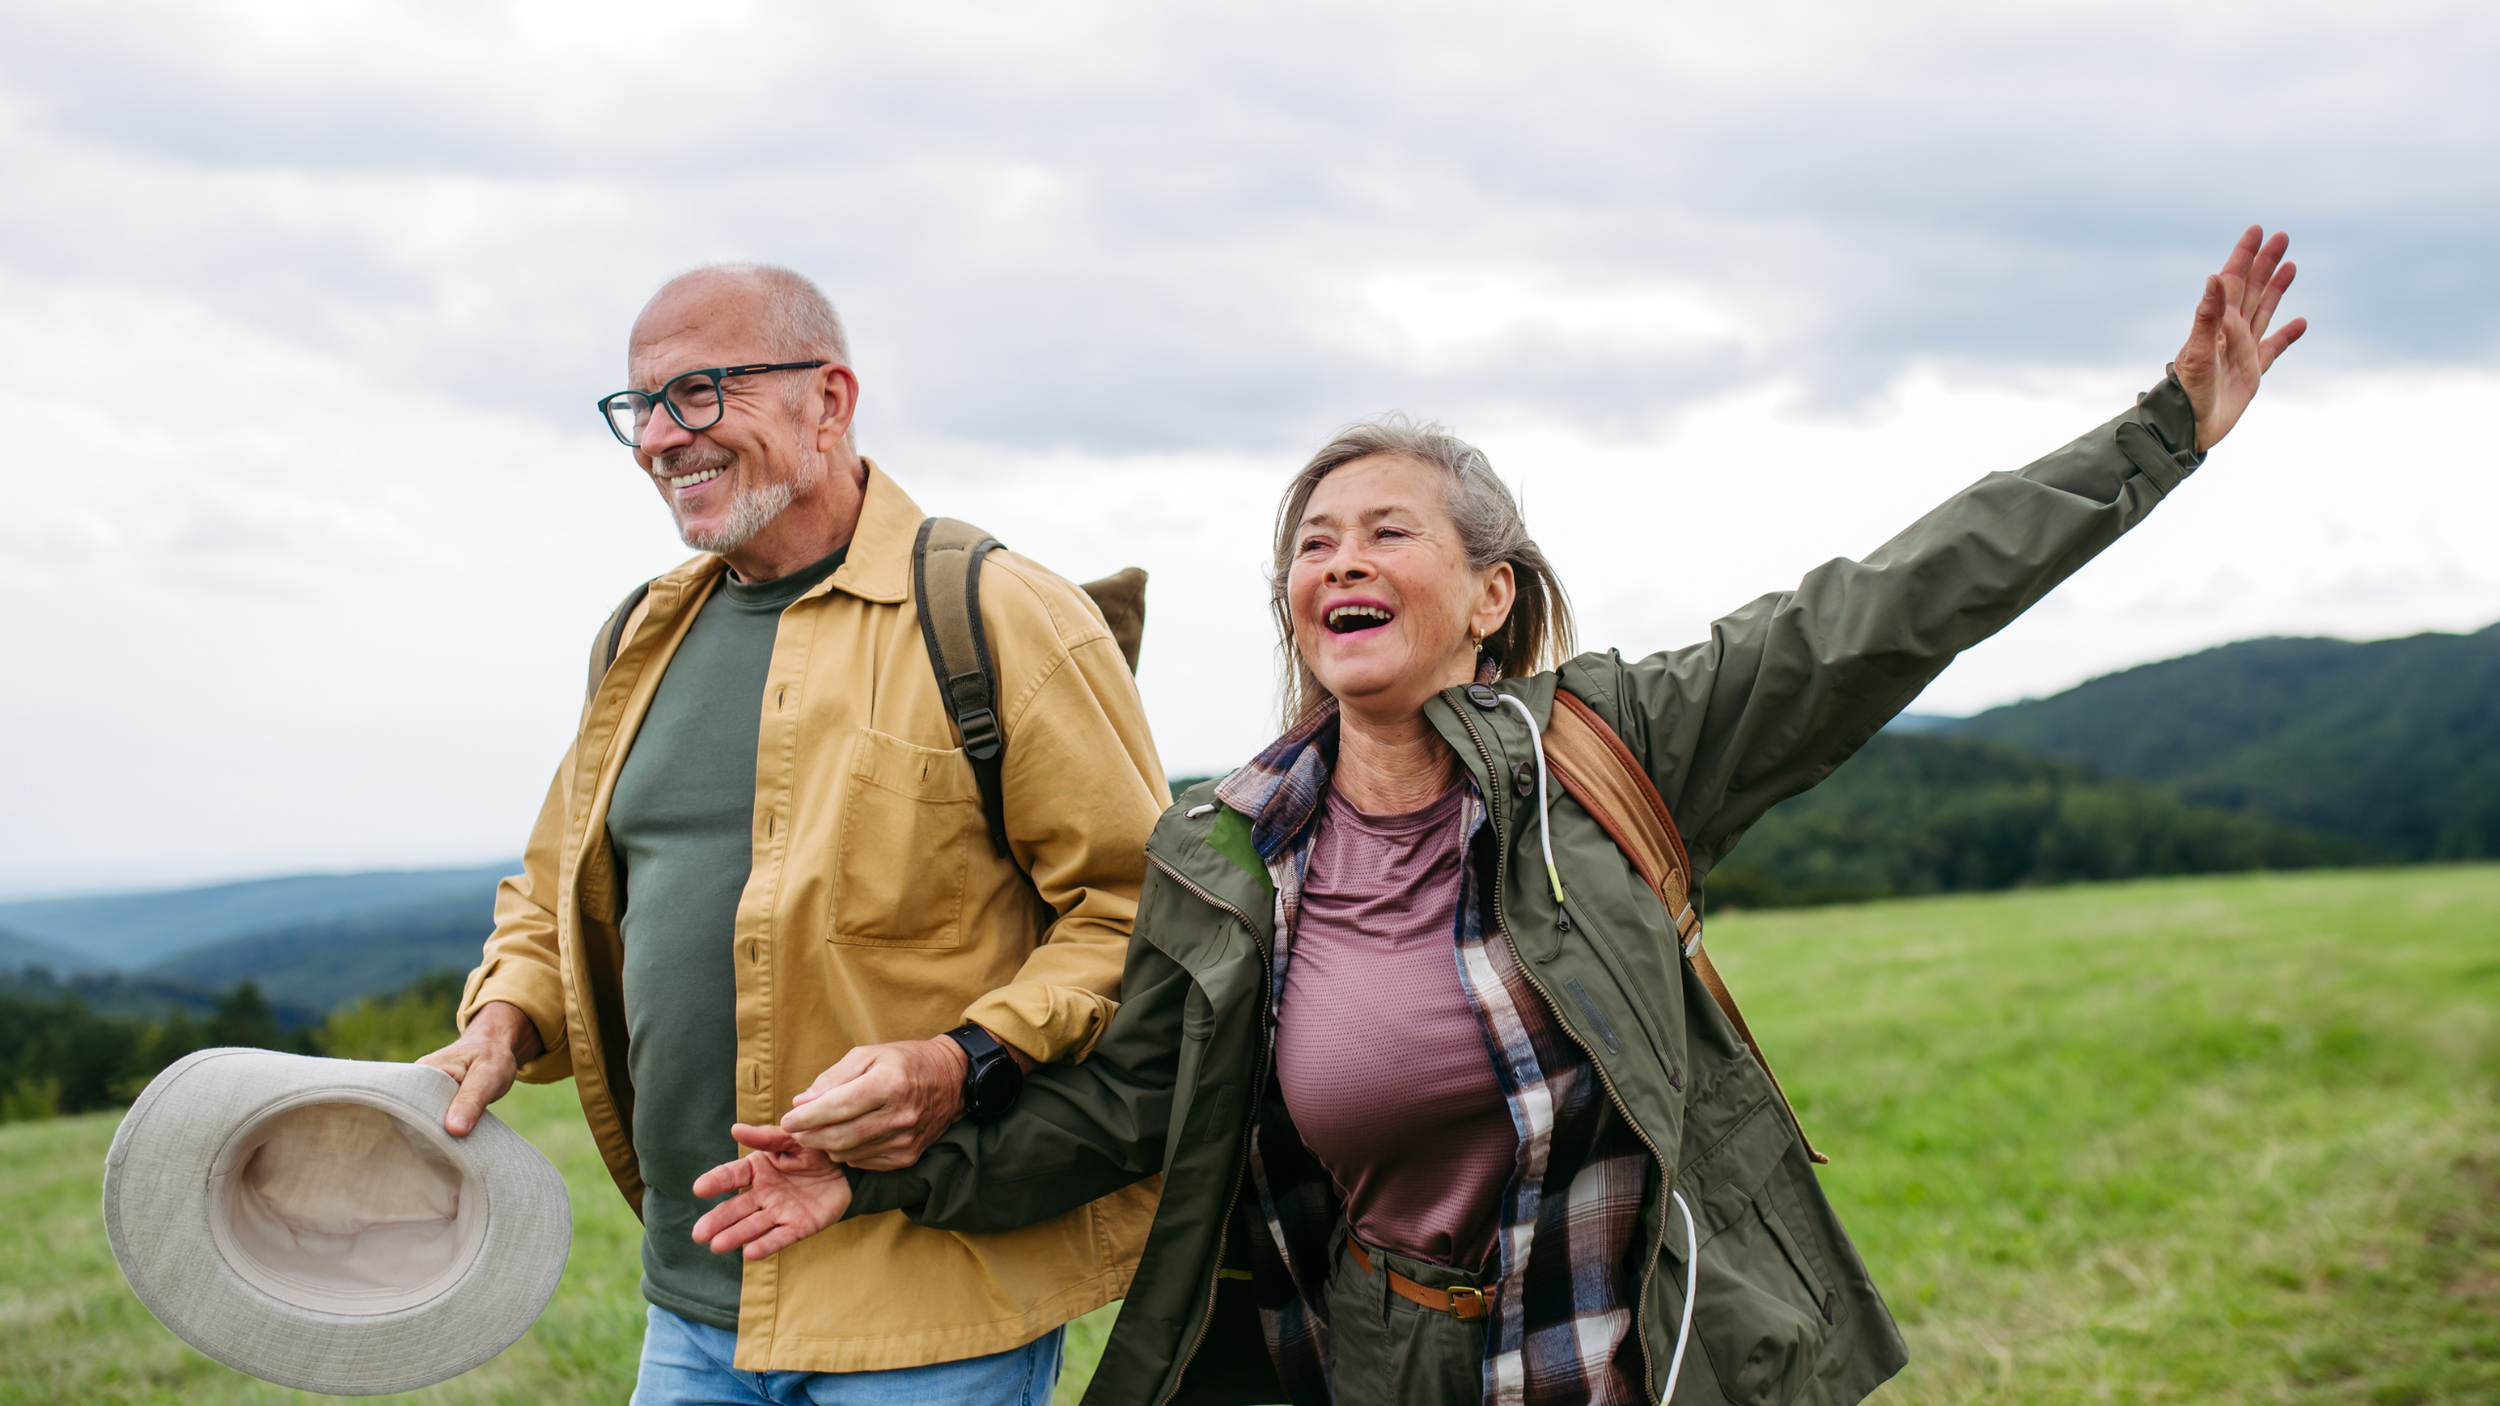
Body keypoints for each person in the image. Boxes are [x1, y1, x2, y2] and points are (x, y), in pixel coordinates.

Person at [685, 228, 2307, 1406]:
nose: (1335, 565)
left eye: (1384, 532)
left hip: (1621, 1336)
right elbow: (1130, 1115)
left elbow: (1882, 608)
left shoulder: (1611, 748)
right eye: (1310, 546)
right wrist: (890, 1180)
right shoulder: (1233, 847)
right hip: (1381, 1352)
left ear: (1488, 597)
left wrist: (2156, 437)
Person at [417, 263, 1170, 1405]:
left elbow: (1137, 911)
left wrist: (956, 1060)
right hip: (692, 1291)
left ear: (829, 400)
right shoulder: (641, 633)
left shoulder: (999, 612)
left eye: (702, 392)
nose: (662, 439)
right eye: (641, 406)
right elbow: (554, 879)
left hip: (925, 1307)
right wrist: (505, 1017)